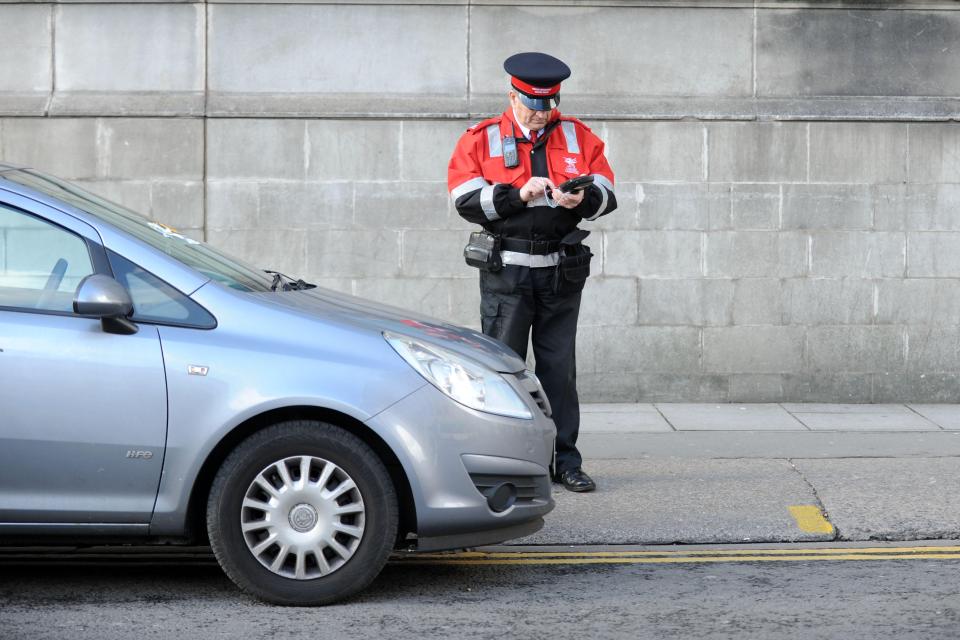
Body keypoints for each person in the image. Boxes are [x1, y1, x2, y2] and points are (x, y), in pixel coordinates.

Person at [447, 52, 617, 492]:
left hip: (561, 273)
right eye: (532, 107)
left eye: (548, 106)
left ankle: (566, 462)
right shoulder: (481, 138)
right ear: (513, 96)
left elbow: (607, 189)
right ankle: (504, 462)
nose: (541, 116)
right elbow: (464, 200)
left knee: (559, 371)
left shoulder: (577, 134)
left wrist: (584, 199)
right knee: (502, 370)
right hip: (508, 276)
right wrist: (516, 195)